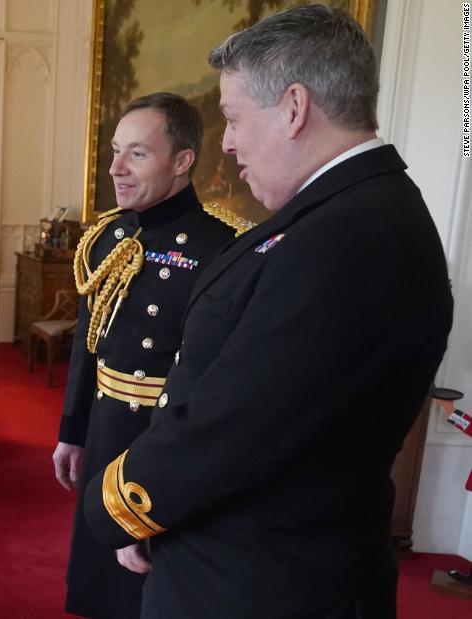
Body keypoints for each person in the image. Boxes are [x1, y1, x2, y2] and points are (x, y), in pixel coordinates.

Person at [81, 6, 453, 618]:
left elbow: (234, 423)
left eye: (231, 118)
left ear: (294, 107)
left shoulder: (348, 237)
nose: (225, 143)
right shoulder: (344, 212)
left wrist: (116, 506)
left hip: (261, 584)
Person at [53, 93, 238, 618]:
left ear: (182, 161)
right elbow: (89, 343)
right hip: (108, 427)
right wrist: (73, 430)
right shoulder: (109, 234)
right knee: (97, 579)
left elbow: (208, 381)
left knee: (148, 589)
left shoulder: (220, 248)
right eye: (116, 151)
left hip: (162, 442)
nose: (115, 168)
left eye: (137, 154)